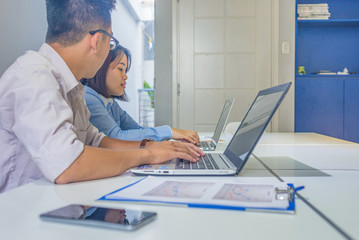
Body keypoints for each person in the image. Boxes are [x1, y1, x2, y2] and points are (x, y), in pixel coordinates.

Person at [0, 0, 203, 193]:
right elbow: (68, 164)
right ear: (97, 41)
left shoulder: (72, 86)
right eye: (111, 42)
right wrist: (148, 154)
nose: (109, 50)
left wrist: (153, 146)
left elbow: (98, 141)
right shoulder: (34, 75)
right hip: (19, 219)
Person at [82, 45, 199, 144]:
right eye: (120, 69)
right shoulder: (89, 98)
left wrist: (169, 138)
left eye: (125, 71)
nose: (125, 76)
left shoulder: (110, 103)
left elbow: (138, 130)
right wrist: (169, 131)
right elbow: (117, 137)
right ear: (101, 68)